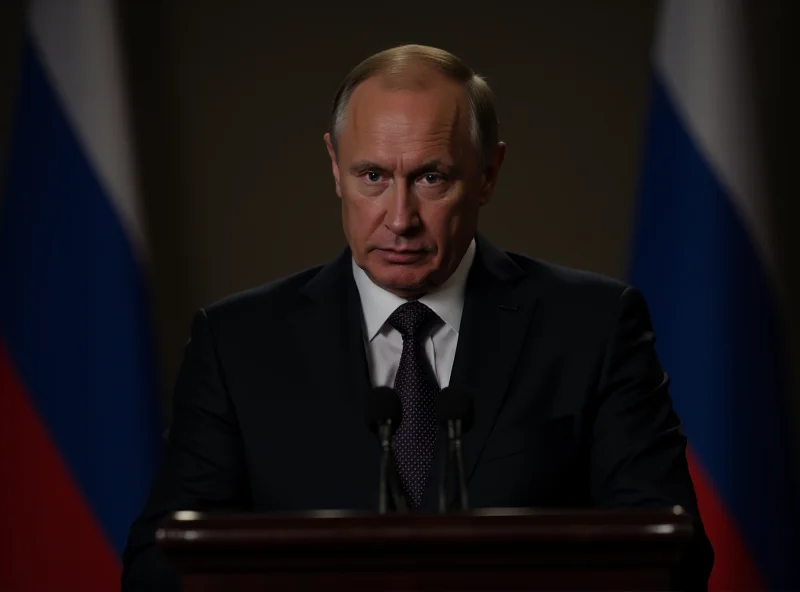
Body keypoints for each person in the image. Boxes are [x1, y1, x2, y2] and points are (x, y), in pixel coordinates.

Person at [122, 44, 713, 590]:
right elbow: (158, 568)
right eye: (373, 176)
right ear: (335, 166)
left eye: (431, 178)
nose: (399, 217)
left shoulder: (594, 327)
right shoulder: (238, 343)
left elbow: (671, 558)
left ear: (487, 174)